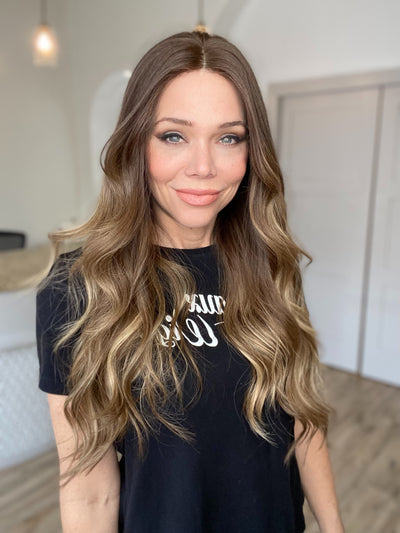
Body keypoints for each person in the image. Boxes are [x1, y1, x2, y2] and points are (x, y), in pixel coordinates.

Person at [36, 30, 344, 533]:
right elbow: (89, 492)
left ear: (251, 151)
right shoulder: (78, 287)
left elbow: (303, 424)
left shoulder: (271, 266)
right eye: (174, 136)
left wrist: (334, 527)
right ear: (137, 143)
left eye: (229, 138)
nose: (204, 168)